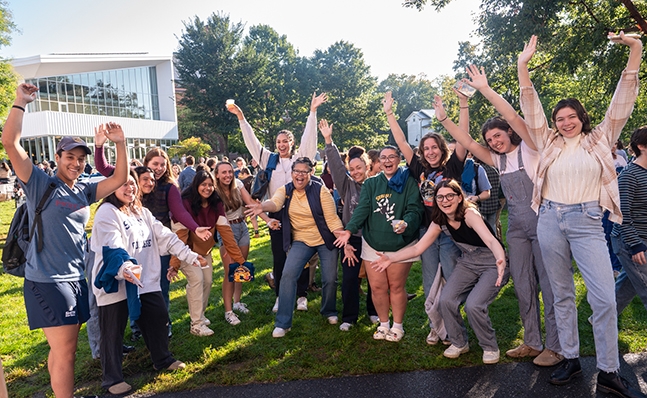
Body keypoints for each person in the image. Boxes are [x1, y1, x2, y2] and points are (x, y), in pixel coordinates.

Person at [519, 33, 645, 396]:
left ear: (582, 118)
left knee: (603, 297)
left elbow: (623, 100)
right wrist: (522, 67)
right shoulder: (548, 142)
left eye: (572, 116)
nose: (565, 122)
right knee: (560, 294)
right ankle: (570, 358)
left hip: (588, 221)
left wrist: (635, 50)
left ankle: (608, 370)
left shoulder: (602, 138)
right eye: (560, 117)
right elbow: (530, 108)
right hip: (550, 220)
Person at [2, 83, 129, 398]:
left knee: (61, 350)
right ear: (57, 157)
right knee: (67, 352)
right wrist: (20, 102)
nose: (76, 163)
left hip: (76, 278)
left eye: (81, 159)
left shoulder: (83, 189)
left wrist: (121, 144)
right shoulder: (39, 183)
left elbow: (119, 180)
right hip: (47, 279)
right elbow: (9, 142)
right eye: (69, 156)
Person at [435, 64, 562, 367]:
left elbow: (516, 118)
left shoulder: (530, 149)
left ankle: (555, 347)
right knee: (522, 285)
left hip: (544, 224)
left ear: (508, 133)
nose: (493, 141)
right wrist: (444, 118)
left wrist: (485, 89)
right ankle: (532, 341)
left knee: (549, 285)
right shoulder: (496, 159)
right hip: (517, 228)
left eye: (497, 135)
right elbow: (465, 143)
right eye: (489, 139)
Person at [92, 170, 205, 394]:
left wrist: (190, 256)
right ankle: (112, 379)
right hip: (117, 282)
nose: (129, 188)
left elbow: (166, 236)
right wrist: (125, 269)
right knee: (113, 330)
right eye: (122, 184)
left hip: (145, 280)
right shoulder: (107, 212)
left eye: (132, 183)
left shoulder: (141, 212)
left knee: (158, 317)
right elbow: (112, 248)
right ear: (111, 187)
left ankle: (162, 359)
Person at [373, 180, 508, 363]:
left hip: (492, 261)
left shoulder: (469, 214)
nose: (445, 200)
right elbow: (417, 249)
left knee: (474, 305)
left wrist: (500, 260)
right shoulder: (439, 221)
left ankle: (490, 346)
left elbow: (491, 241)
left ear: (460, 197)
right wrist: (391, 258)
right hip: (468, 261)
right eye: (440, 197)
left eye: (450, 196)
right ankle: (459, 342)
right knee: (445, 299)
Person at [95, 144, 212, 338]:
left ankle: (162, 325)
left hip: (159, 243)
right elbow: (103, 167)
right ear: (146, 164)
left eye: (162, 165)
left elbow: (179, 211)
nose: (159, 168)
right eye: (155, 164)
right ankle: (137, 327)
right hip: (132, 244)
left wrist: (194, 227)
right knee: (132, 285)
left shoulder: (167, 187)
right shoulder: (131, 182)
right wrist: (100, 145)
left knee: (158, 288)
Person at [228, 92, 327, 313]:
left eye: (285, 141)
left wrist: (312, 112)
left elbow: (310, 140)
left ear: (292, 143)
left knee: (300, 254)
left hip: (300, 214)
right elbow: (252, 142)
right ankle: (281, 296)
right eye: (278, 142)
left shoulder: (299, 159)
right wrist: (241, 118)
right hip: (276, 215)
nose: (281, 145)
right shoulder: (268, 159)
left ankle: (301, 294)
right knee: (280, 257)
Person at [383, 91, 465, 344]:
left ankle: (454, 331)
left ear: (442, 149)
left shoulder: (453, 167)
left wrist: (460, 107)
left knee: (451, 281)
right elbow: (402, 142)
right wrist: (389, 114)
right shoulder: (418, 168)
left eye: (434, 148)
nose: (430, 152)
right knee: (430, 282)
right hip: (427, 233)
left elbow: (463, 138)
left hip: (451, 232)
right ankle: (436, 327)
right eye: (426, 148)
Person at [335, 146, 424, 342]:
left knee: (396, 286)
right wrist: (349, 230)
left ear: (399, 159)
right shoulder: (371, 183)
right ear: (378, 162)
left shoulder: (409, 182)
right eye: (383, 157)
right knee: (376, 287)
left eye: (392, 157)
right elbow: (362, 209)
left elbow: (415, 209)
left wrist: (406, 223)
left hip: (401, 244)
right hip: (373, 243)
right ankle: (383, 324)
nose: (387, 160)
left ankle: (397, 326)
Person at [246, 157, 344, 337]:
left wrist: (342, 234)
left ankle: (329, 310)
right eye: (296, 171)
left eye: (304, 171)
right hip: (301, 240)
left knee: (330, 278)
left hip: (325, 239)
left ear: (311, 173)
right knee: (288, 275)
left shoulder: (321, 191)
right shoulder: (286, 190)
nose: (299, 175)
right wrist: (262, 207)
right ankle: (283, 323)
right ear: (291, 174)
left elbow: (331, 219)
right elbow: (275, 203)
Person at [170, 169, 253, 334]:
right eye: (203, 185)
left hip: (204, 251)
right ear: (196, 185)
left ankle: (199, 313)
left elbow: (227, 235)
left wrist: (241, 262)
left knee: (208, 281)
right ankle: (196, 324)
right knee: (197, 280)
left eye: (210, 185)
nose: (207, 188)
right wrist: (175, 263)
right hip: (186, 250)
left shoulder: (216, 203)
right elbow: (180, 234)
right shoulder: (186, 202)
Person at [320, 119, 378, 331]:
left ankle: (374, 311)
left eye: (359, 168)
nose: (355, 172)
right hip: (351, 239)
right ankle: (350, 317)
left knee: (375, 278)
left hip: (373, 238)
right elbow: (335, 166)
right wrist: (328, 141)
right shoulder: (346, 186)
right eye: (352, 169)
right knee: (350, 279)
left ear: (367, 167)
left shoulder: (377, 184)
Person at [212, 162, 277, 324]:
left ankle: (237, 302)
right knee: (229, 272)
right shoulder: (214, 192)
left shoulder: (238, 184)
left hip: (242, 226)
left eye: (229, 172)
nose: (227, 175)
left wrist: (268, 220)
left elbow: (251, 204)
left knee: (240, 268)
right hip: (227, 230)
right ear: (217, 175)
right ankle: (228, 312)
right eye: (223, 173)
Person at [612, 127, 647, 325]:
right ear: (641, 146)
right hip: (629, 242)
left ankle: (599, 319)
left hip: (643, 239)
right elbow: (622, 214)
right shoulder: (629, 175)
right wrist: (635, 245)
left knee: (627, 287)